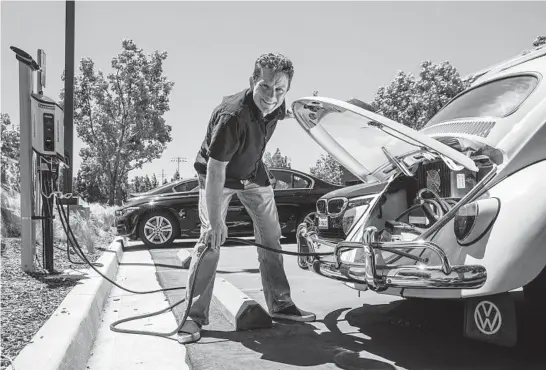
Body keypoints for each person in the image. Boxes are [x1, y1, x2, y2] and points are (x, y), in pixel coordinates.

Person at [178, 53, 315, 343]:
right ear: (253, 81)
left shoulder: (277, 104)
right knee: (211, 239)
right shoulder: (232, 116)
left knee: (271, 234)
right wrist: (216, 222)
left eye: (280, 91)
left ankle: (281, 303)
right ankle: (193, 317)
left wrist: (314, 113)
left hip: (252, 175)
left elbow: (286, 112)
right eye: (265, 87)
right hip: (218, 176)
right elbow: (216, 169)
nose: (271, 96)